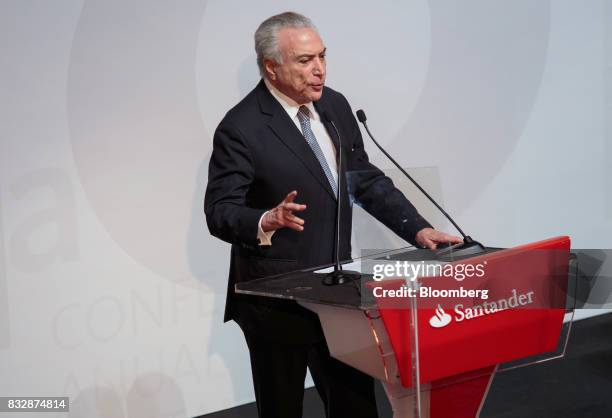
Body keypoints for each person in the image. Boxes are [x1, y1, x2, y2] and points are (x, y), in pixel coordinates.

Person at [204, 11, 462, 418]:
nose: (319, 69)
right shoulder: (241, 127)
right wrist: (264, 220)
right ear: (271, 67)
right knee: (283, 409)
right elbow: (219, 212)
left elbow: (366, 182)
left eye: (322, 57)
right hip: (277, 301)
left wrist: (419, 230)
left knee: (357, 407)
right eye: (305, 61)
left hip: (339, 293)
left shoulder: (335, 106)